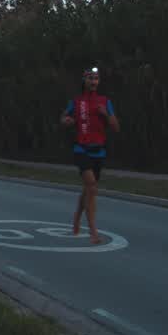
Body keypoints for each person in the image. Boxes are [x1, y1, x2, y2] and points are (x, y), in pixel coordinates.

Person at [61, 67, 120, 244]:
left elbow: (116, 127)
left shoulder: (105, 101)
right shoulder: (77, 102)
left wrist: (106, 115)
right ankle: (93, 232)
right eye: (90, 78)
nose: (93, 81)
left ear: (99, 82)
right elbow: (63, 117)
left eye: (96, 78)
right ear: (84, 81)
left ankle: (77, 220)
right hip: (81, 150)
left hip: (99, 151)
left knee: (88, 189)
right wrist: (66, 121)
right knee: (92, 187)